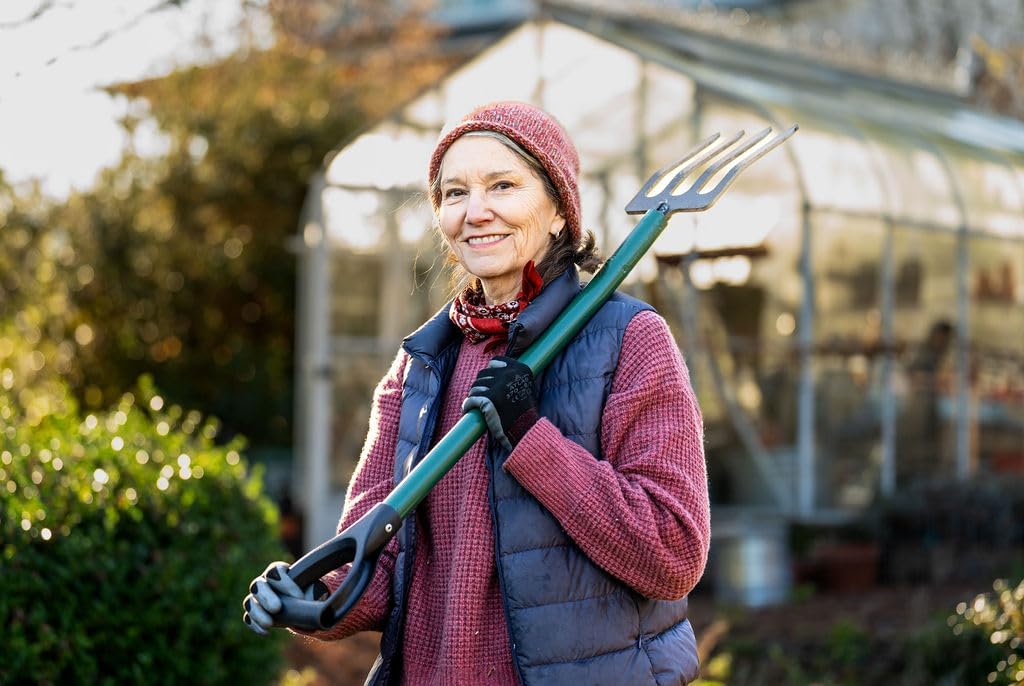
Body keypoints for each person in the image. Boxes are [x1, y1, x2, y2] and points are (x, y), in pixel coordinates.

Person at [243, 101, 711, 685]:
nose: (476, 211)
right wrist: (312, 596)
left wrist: (532, 439)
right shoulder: (421, 365)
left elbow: (673, 554)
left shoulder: (628, 341)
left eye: (504, 185)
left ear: (560, 212)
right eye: (455, 192)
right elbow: (379, 557)